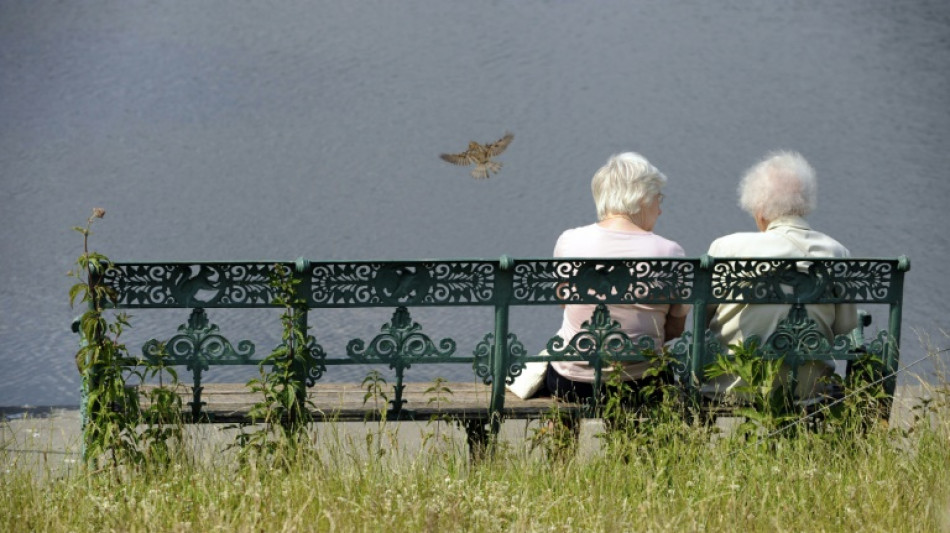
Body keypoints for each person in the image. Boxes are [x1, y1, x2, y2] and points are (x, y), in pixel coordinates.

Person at [704, 150, 858, 401]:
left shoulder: (726, 248)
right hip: (809, 387)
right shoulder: (836, 252)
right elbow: (844, 326)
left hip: (733, 383)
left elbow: (703, 316)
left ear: (760, 209)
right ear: (805, 204)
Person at [544, 152, 689, 405]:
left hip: (571, 381)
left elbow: (565, 304)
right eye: (658, 198)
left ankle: (560, 440)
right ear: (642, 198)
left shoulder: (569, 241)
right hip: (641, 381)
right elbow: (675, 329)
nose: (661, 209)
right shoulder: (670, 253)